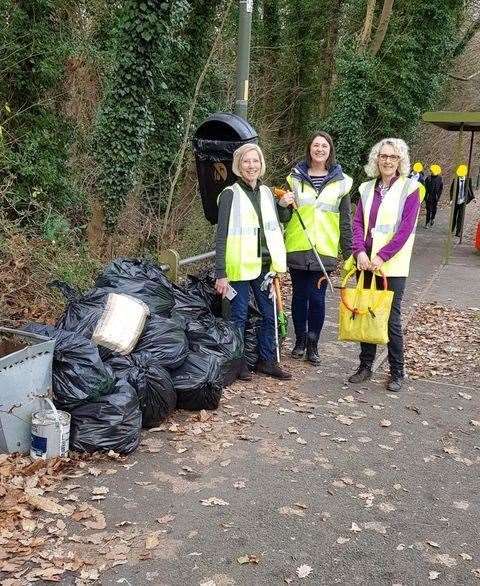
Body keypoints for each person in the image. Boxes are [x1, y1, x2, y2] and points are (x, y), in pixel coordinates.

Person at [348, 138, 424, 392]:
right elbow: (358, 223)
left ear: (400, 161)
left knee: (391, 319)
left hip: (392, 266)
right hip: (367, 263)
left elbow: (404, 230)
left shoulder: (410, 189)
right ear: (376, 160)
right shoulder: (367, 188)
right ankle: (365, 366)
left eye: (393, 157)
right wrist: (359, 251)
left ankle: (397, 371)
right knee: (367, 314)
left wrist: (382, 256)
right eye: (383, 156)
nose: (388, 161)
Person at [214, 143, 292, 381]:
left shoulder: (267, 192)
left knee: (269, 314)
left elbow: (281, 220)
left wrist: (283, 206)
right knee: (238, 317)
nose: (251, 166)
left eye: (255, 161)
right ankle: (238, 364)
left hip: (265, 267)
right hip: (238, 268)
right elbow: (221, 235)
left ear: (261, 165)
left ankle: (267, 360)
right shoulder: (230, 195)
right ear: (239, 165)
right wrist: (220, 272)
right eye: (246, 161)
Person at [277, 131, 353, 365]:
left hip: (325, 250)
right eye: (316, 145)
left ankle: (313, 344)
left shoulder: (342, 183)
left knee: (318, 299)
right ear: (309, 149)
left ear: (330, 150)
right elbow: (284, 215)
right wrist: (282, 206)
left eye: (324, 146)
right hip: (299, 246)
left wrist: (349, 255)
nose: (319, 149)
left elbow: (345, 221)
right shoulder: (294, 178)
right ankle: (299, 341)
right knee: (300, 296)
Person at [450, 164, 475, 238]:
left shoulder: (468, 180)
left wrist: (473, 198)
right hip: (456, 201)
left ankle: (458, 232)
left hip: (463, 201)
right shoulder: (455, 180)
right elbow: (451, 190)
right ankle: (452, 229)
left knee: (460, 217)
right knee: (454, 216)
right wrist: (451, 199)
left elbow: (470, 189)